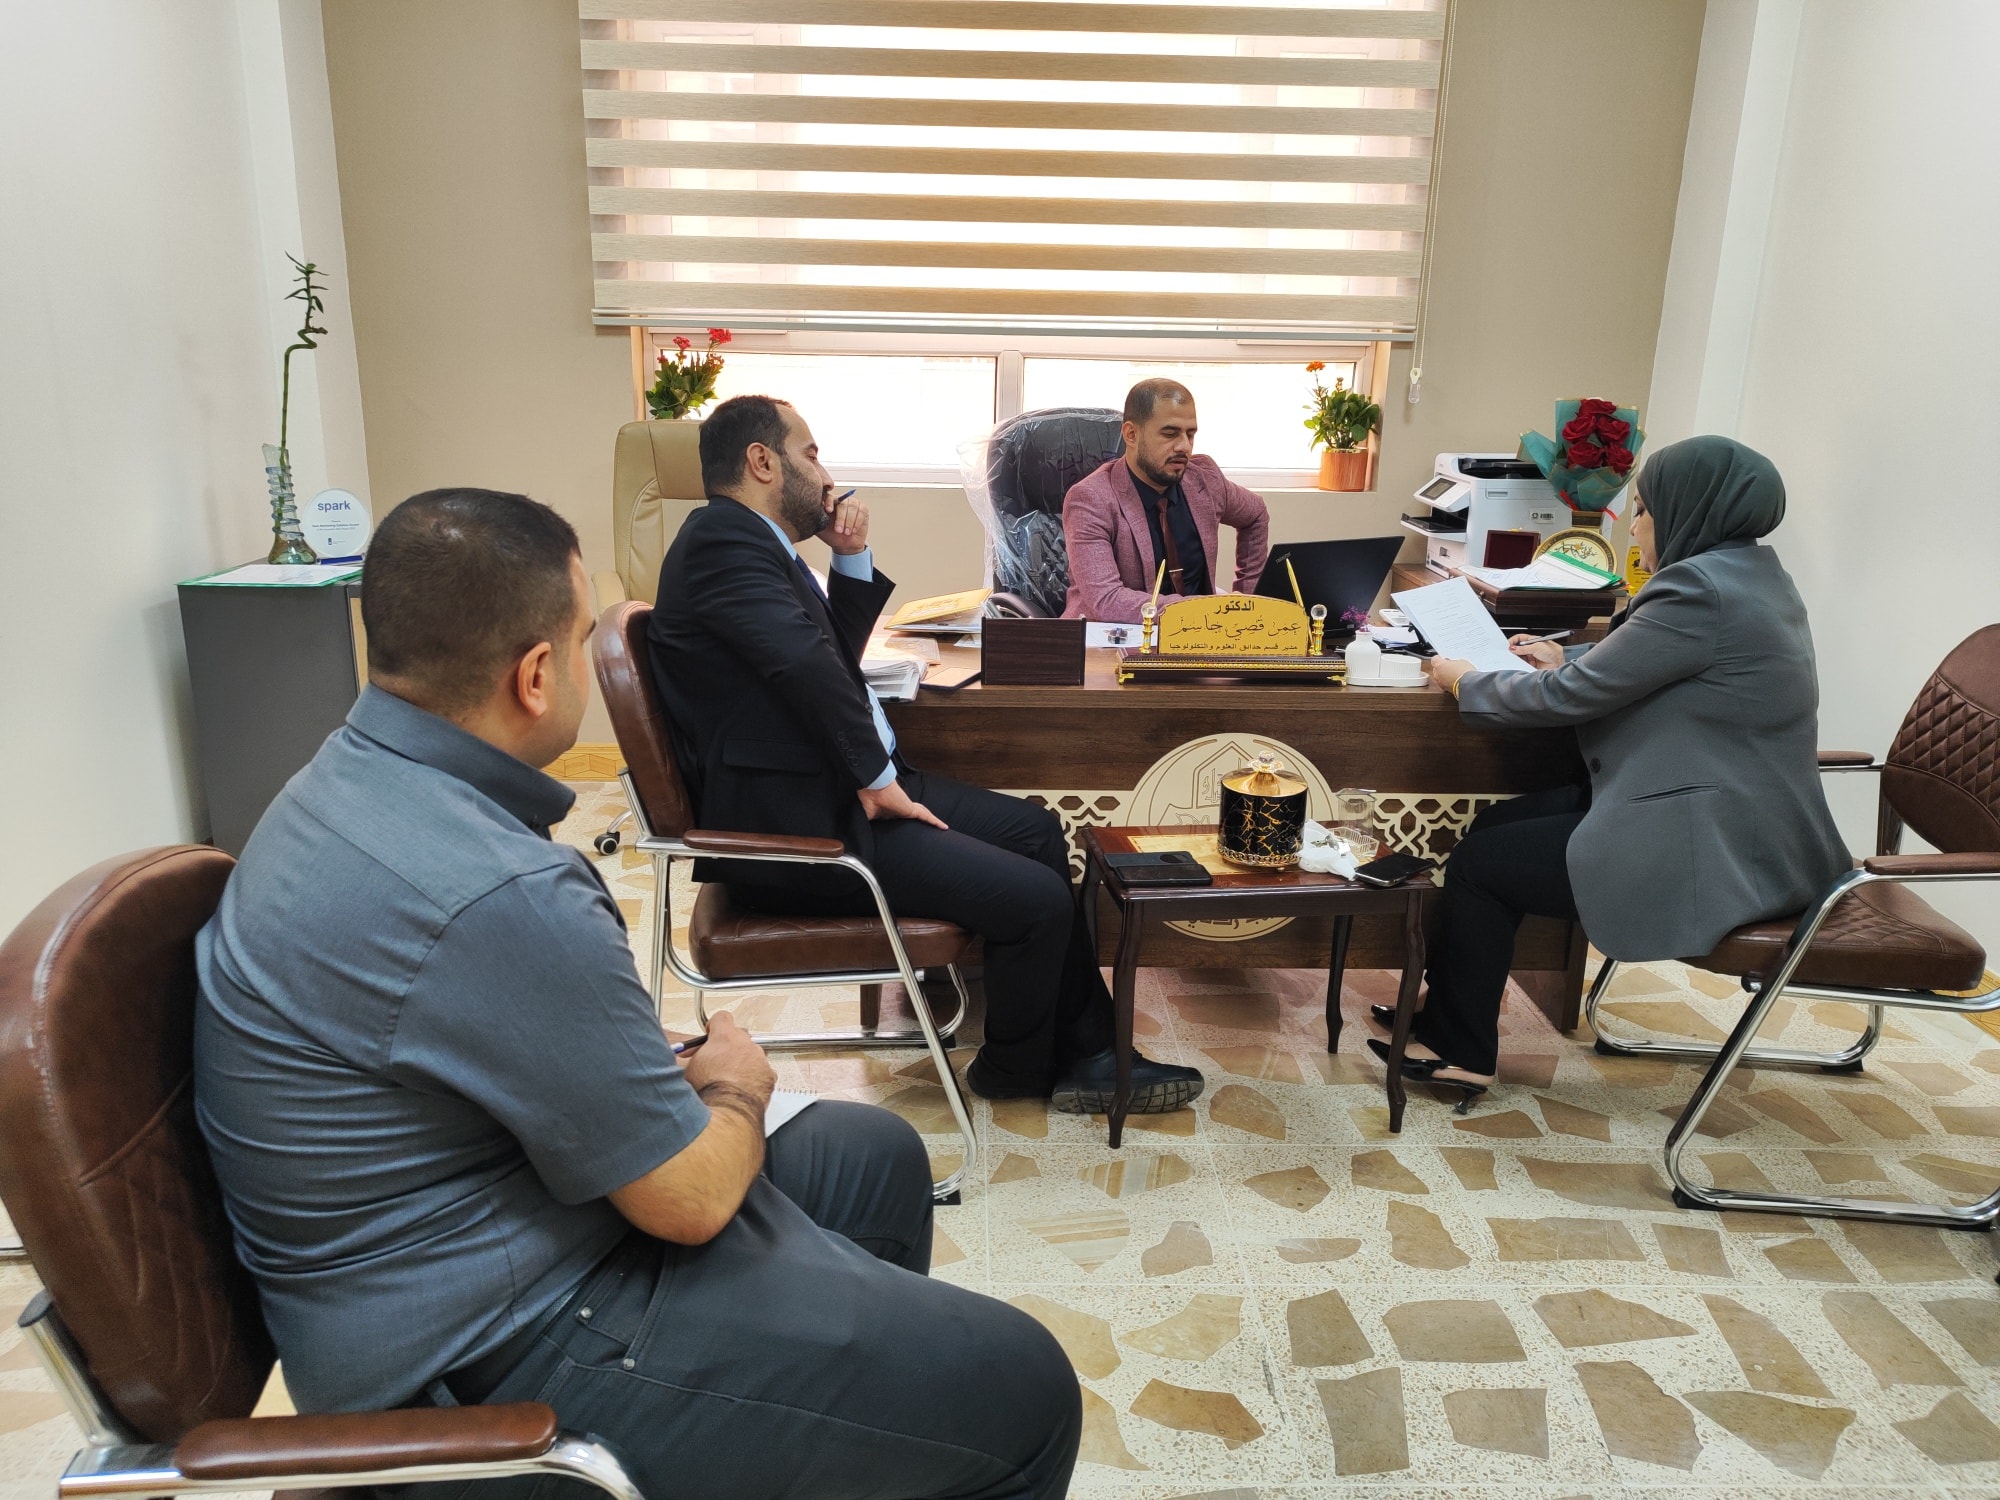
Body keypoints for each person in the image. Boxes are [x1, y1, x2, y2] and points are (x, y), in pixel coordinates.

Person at [193, 488, 1083, 1500]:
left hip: (473, 1236)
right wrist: (735, 1083)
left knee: (870, 1155)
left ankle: (835, 1424)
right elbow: (689, 1200)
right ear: (535, 676)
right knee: (1025, 1389)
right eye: (581, 642)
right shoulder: (500, 887)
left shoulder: (341, 781)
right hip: (484, 1354)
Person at [647, 394, 1202, 1114]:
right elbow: (803, 666)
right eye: (810, 454)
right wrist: (875, 777)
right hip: (803, 829)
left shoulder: (749, 545)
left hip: (827, 794)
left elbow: (828, 655)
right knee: (1037, 901)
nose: (825, 473)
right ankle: (1016, 1067)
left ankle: (1089, 1045)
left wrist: (850, 558)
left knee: (1038, 831)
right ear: (761, 461)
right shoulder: (723, 544)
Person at [1371, 436, 1850, 1105]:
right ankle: (1454, 1005)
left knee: (1483, 866)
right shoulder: (1751, 575)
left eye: (1645, 511)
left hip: (1714, 841)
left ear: (1689, 512)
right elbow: (1659, 664)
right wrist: (1564, 657)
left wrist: (1463, 679)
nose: (1636, 526)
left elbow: (1568, 700)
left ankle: (1462, 1051)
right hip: (1743, 818)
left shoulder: (1698, 588)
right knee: (1498, 825)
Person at [1061, 378, 1271, 620]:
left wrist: (1248, 600)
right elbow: (1108, 601)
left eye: (1190, 434)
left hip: (1200, 632)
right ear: (1131, 434)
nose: (1184, 447)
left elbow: (1256, 514)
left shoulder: (1204, 480)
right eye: (1170, 434)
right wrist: (1210, 608)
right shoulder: (1091, 499)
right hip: (1113, 634)